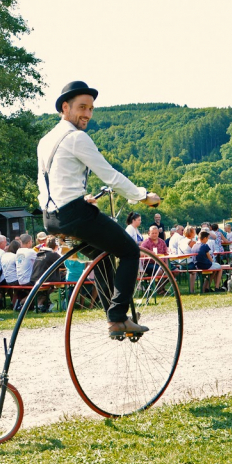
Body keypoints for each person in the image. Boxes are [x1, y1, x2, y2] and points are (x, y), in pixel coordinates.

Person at [38, 81, 161, 336]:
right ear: (65, 107)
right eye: (82, 107)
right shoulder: (76, 137)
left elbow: (46, 184)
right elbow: (110, 175)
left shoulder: (45, 140)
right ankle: (117, 318)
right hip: (74, 215)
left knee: (103, 255)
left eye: (91, 109)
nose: (87, 114)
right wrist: (142, 196)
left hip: (51, 218)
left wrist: (75, 200)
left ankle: (114, 317)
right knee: (128, 251)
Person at [30, 236, 64, 312]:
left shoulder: (40, 253)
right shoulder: (52, 254)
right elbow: (64, 264)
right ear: (56, 245)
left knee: (43, 290)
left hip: (34, 278)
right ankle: (46, 304)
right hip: (44, 280)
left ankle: (39, 305)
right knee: (61, 282)